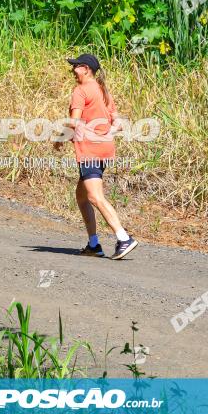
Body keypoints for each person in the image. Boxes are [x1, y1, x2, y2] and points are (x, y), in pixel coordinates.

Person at [61, 53, 138, 260]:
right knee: (82, 196)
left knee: (95, 197)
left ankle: (124, 238)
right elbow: (118, 124)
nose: (72, 70)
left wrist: (60, 139)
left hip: (89, 151)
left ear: (86, 69)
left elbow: (73, 122)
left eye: (76, 66)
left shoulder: (80, 90)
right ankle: (93, 244)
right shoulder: (103, 91)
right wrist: (104, 135)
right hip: (104, 150)